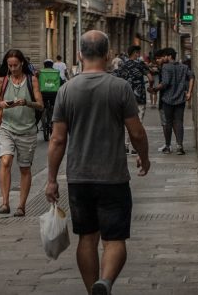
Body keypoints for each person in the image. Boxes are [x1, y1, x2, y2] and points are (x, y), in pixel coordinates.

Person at [46, 31, 150, 295]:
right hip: (113, 176)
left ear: (80, 55)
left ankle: (93, 290)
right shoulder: (120, 88)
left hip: (79, 178)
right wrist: (144, 158)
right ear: (108, 55)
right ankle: (106, 281)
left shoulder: (66, 90)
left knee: (87, 238)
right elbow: (136, 132)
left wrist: (50, 180)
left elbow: (57, 141)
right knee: (114, 239)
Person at [0, 48, 43, 216]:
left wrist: (27, 102)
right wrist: (1, 104)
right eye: (10, 66)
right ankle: (5, 203)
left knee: (25, 168)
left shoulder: (31, 80)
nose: (12, 69)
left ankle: (21, 206)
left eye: (16, 65)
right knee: (5, 161)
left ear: (22, 64)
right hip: (7, 128)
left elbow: (40, 104)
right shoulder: (2, 81)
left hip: (27, 130)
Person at [154, 47, 194, 154]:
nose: (164, 58)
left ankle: (167, 146)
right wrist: (189, 92)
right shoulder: (184, 67)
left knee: (168, 123)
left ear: (169, 56)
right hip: (180, 99)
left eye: (165, 56)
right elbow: (192, 77)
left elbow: (165, 82)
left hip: (167, 100)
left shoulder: (166, 67)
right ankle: (180, 146)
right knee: (179, 123)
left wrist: (155, 89)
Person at [114, 45, 152, 153]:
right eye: (138, 53)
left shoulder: (122, 64)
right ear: (135, 53)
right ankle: (135, 147)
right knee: (138, 123)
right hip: (140, 97)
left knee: (126, 122)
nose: (139, 55)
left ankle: (126, 146)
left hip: (125, 98)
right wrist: (150, 86)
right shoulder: (140, 64)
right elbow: (150, 78)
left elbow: (116, 78)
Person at [36, 59, 63, 138]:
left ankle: (39, 124)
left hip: (43, 93)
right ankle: (53, 122)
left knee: (40, 108)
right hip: (54, 94)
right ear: (52, 65)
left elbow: (36, 82)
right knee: (54, 108)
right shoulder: (56, 72)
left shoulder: (40, 72)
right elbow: (61, 82)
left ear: (44, 65)